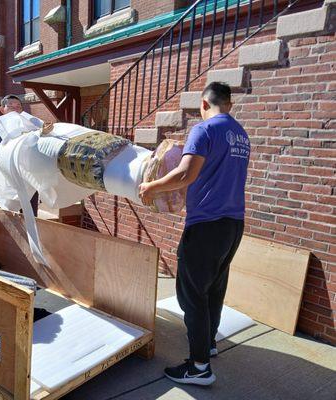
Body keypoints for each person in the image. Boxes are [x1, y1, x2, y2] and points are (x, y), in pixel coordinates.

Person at [139, 82, 250, 386]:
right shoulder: (240, 134)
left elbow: (187, 174)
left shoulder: (204, 130)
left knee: (191, 295)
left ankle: (199, 367)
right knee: (213, 288)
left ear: (204, 103)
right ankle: (208, 344)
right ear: (228, 104)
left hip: (206, 226)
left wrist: (151, 187)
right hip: (233, 224)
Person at [0, 94, 39, 216]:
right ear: (2, 109)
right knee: (9, 222)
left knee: (30, 219)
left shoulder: (32, 130)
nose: (15, 109)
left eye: (18, 106)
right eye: (10, 106)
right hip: (7, 186)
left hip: (29, 185)